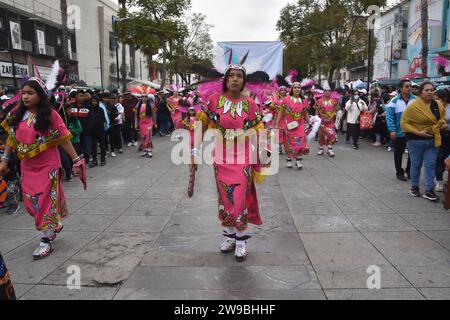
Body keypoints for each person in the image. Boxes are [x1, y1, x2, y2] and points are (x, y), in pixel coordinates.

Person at [0, 78, 83, 260]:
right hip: (27, 166)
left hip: (48, 165)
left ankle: (46, 240)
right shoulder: (16, 114)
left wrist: (76, 160)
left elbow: (64, 139)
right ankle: (53, 224)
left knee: (44, 201)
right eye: (24, 93)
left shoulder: (51, 116)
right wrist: (5, 159)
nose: (26, 97)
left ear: (41, 95)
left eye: (31, 93)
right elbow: (11, 139)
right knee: (31, 204)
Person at [195, 64, 266, 262]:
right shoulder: (213, 100)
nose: (235, 79)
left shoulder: (251, 103)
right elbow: (201, 123)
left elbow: (259, 127)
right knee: (225, 198)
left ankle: (241, 240)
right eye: (231, 76)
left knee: (240, 198)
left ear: (244, 81)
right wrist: (195, 147)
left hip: (243, 156)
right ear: (225, 79)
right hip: (221, 156)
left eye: (239, 76)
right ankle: (229, 236)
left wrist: (263, 149)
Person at [401, 81, 447, 201]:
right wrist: (418, 132)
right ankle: (414, 187)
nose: (430, 92)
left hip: (432, 140)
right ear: (421, 92)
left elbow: (442, 118)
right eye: (427, 90)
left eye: (432, 90)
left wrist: (443, 124)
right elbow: (404, 123)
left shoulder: (438, 105)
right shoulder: (413, 106)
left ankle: (429, 190)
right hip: (415, 141)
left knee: (431, 165)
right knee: (416, 164)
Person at [275, 82, 310, 169]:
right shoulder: (286, 100)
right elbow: (281, 112)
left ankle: (298, 159)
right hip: (289, 125)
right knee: (288, 143)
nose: (297, 89)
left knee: (300, 142)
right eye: (295, 87)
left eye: (299, 87)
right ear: (291, 89)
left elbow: (305, 113)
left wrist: (309, 122)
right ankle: (289, 158)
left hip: (300, 125)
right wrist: (277, 123)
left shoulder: (304, 100)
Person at [386, 80, 415, 181]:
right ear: (401, 88)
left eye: (410, 86)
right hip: (399, 132)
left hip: (413, 131)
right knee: (398, 153)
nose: (409, 88)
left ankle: (409, 170)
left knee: (413, 153)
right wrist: (392, 130)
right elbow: (389, 117)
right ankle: (399, 172)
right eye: (407, 86)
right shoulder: (394, 101)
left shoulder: (416, 100)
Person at [315, 84, 339, 157]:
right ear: (323, 92)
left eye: (329, 91)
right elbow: (316, 110)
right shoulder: (319, 101)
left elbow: (336, 110)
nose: (327, 92)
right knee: (321, 135)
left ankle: (330, 148)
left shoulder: (334, 101)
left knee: (332, 135)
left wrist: (334, 117)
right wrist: (317, 119)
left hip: (330, 122)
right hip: (322, 122)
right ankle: (321, 148)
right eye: (326, 91)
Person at [434, 89, 450, 192]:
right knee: (440, 158)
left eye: (437, 99)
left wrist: (447, 127)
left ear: (444, 99)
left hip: (448, 134)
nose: (435, 101)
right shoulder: (435, 108)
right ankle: (439, 180)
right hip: (440, 137)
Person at [70, 90, 93, 159]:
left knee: (86, 148)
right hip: (75, 133)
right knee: (77, 149)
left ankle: (87, 159)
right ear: (76, 97)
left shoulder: (88, 106)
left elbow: (91, 119)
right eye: (80, 96)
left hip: (85, 132)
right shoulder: (72, 106)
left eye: (83, 96)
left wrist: (88, 129)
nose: (82, 98)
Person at [90, 95, 108, 167]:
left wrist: (94, 120)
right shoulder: (90, 109)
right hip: (92, 130)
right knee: (93, 146)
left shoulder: (100, 109)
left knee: (102, 145)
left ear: (97, 101)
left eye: (95, 101)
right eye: (92, 101)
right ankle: (94, 160)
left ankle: (103, 159)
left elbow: (102, 120)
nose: (94, 103)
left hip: (100, 130)